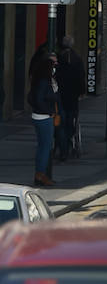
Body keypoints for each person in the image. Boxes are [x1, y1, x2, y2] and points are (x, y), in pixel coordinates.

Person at [54, 35, 86, 161]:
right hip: (72, 96)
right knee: (70, 121)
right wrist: (81, 92)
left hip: (60, 95)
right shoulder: (76, 58)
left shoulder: (58, 58)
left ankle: (62, 148)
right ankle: (67, 145)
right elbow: (81, 76)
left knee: (61, 122)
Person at [28, 55, 58, 187]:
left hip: (39, 116)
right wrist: (50, 112)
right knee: (45, 148)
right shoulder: (44, 82)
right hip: (44, 118)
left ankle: (40, 174)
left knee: (42, 147)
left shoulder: (39, 80)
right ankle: (40, 175)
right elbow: (40, 100)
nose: (54, 69)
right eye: (52, 67)